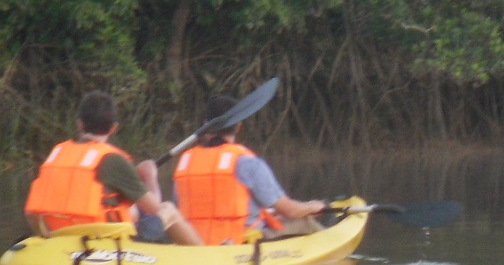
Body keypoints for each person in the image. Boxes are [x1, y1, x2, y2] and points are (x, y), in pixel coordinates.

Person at [23, 91, 200, 244]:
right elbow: (154, 209)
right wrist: (150, 177)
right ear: (114, 128)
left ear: (80, 124)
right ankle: (205, 256)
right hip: (101, 239)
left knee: (130, 209)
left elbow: (32, 211)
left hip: (60, 235)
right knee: (168, 209)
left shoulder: (57, 153)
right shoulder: (113, 160)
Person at [171, 94, 328, 245]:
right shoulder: (246, 162)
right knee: (303, 221)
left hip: (193, 242)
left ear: (206, 126)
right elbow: (290, 211)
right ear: (239, 126)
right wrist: (314, 207)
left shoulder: (185, 163)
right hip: (240, 242)